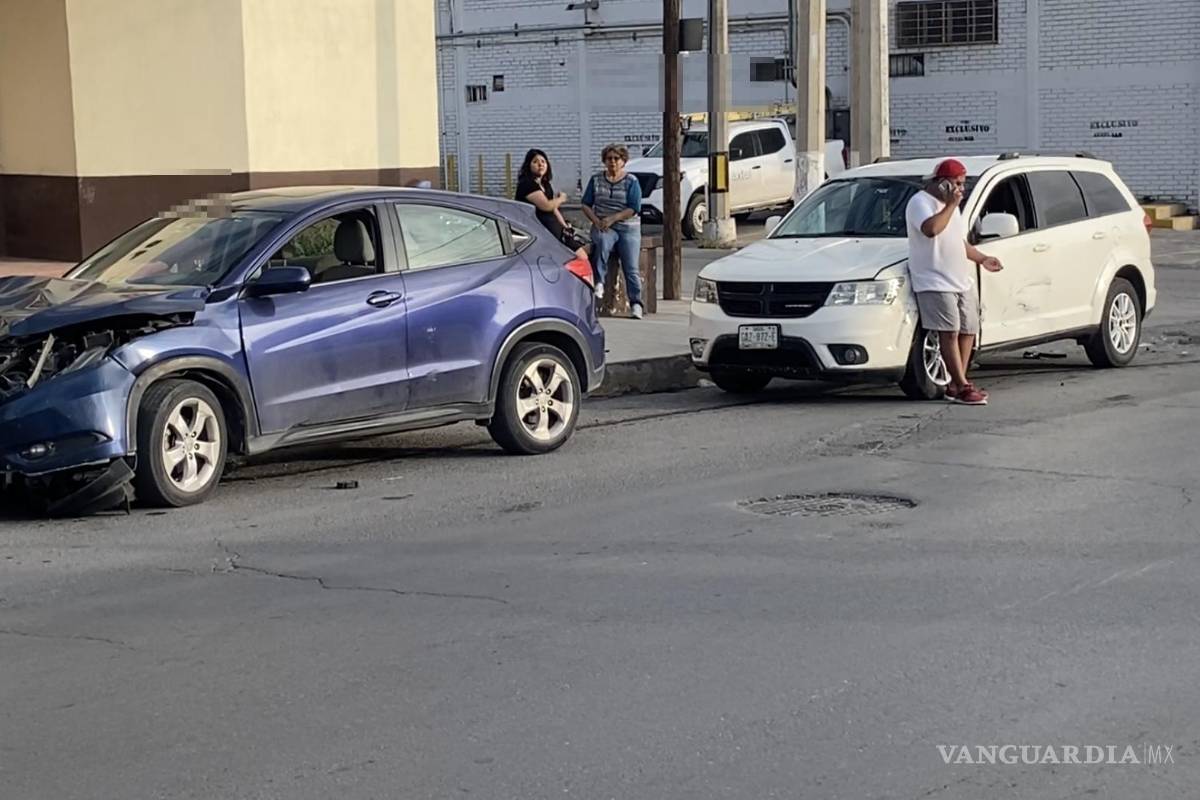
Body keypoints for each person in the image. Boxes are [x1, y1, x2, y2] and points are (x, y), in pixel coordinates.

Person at [905, 158, 1004, 406]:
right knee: (948, 331)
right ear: (942, 183)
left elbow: (957, 241)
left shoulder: (952, 207)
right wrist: (950, 205)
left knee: (968, 328)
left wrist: (982, 258)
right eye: (956, 184)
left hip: (960, 279)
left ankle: (956, 381)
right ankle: (962, 386)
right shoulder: (920, 202)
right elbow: (931, 229)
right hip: (934, 280)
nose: (961, 189)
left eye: (962, 184)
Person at [582, 144, 644, 319]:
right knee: (602, 243)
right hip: (603, 225)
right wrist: (596, 220)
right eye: (609, 159)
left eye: (616, 159)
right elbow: (585, 203)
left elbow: (634, 207)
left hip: (627, 226)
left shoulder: (631, 181)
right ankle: (599, 281)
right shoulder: (596, 180)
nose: (612, 162)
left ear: (623, 161)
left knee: (631, 267)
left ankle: (636, 303)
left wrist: (613, 218)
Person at [514, 149, 589, 262]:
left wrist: (565, 226)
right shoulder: (527, 184)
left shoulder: (545, 184)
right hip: (540, 231)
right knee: (579, 257)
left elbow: (554, 209)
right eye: (535, 162)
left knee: (582, 254)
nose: (540, 164)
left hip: (555, 229)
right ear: (528, 165)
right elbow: (546, 206)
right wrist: (561, 199)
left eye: (543, 161)